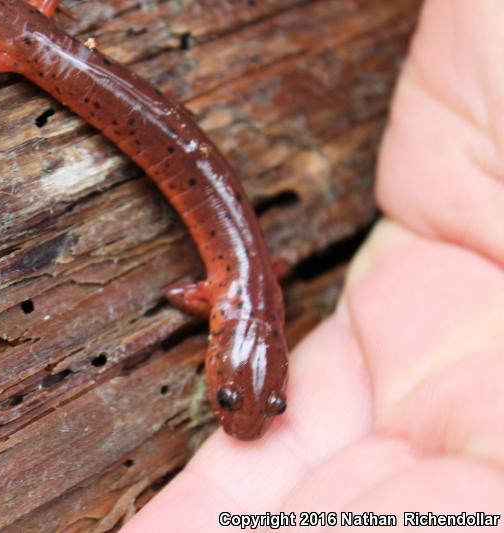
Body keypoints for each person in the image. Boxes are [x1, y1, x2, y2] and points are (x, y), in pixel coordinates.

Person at [124, 1, 504, 530]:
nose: (245, 415)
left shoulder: (255, 298)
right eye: (232, 398)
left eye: (271, 403)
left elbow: (259, 271)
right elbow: (188, 293)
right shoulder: (229, 301)